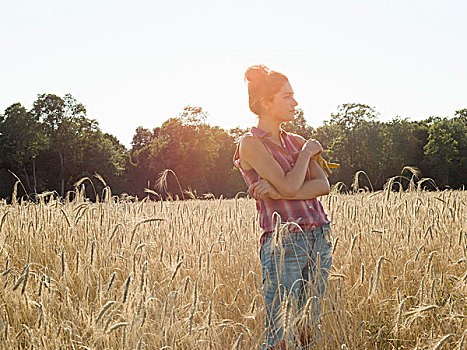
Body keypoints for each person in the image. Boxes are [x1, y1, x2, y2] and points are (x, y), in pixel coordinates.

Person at [233, 65, 333, 349]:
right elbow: (293, 186)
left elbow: (322, 186)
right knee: (281, 334)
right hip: (284, 242)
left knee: (306, 329)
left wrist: (275, 190)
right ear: (266, 102)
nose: (295, 103)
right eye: (287, 96)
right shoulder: (250, 144)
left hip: (319, 237)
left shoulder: (296, 140)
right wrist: (305, 154)